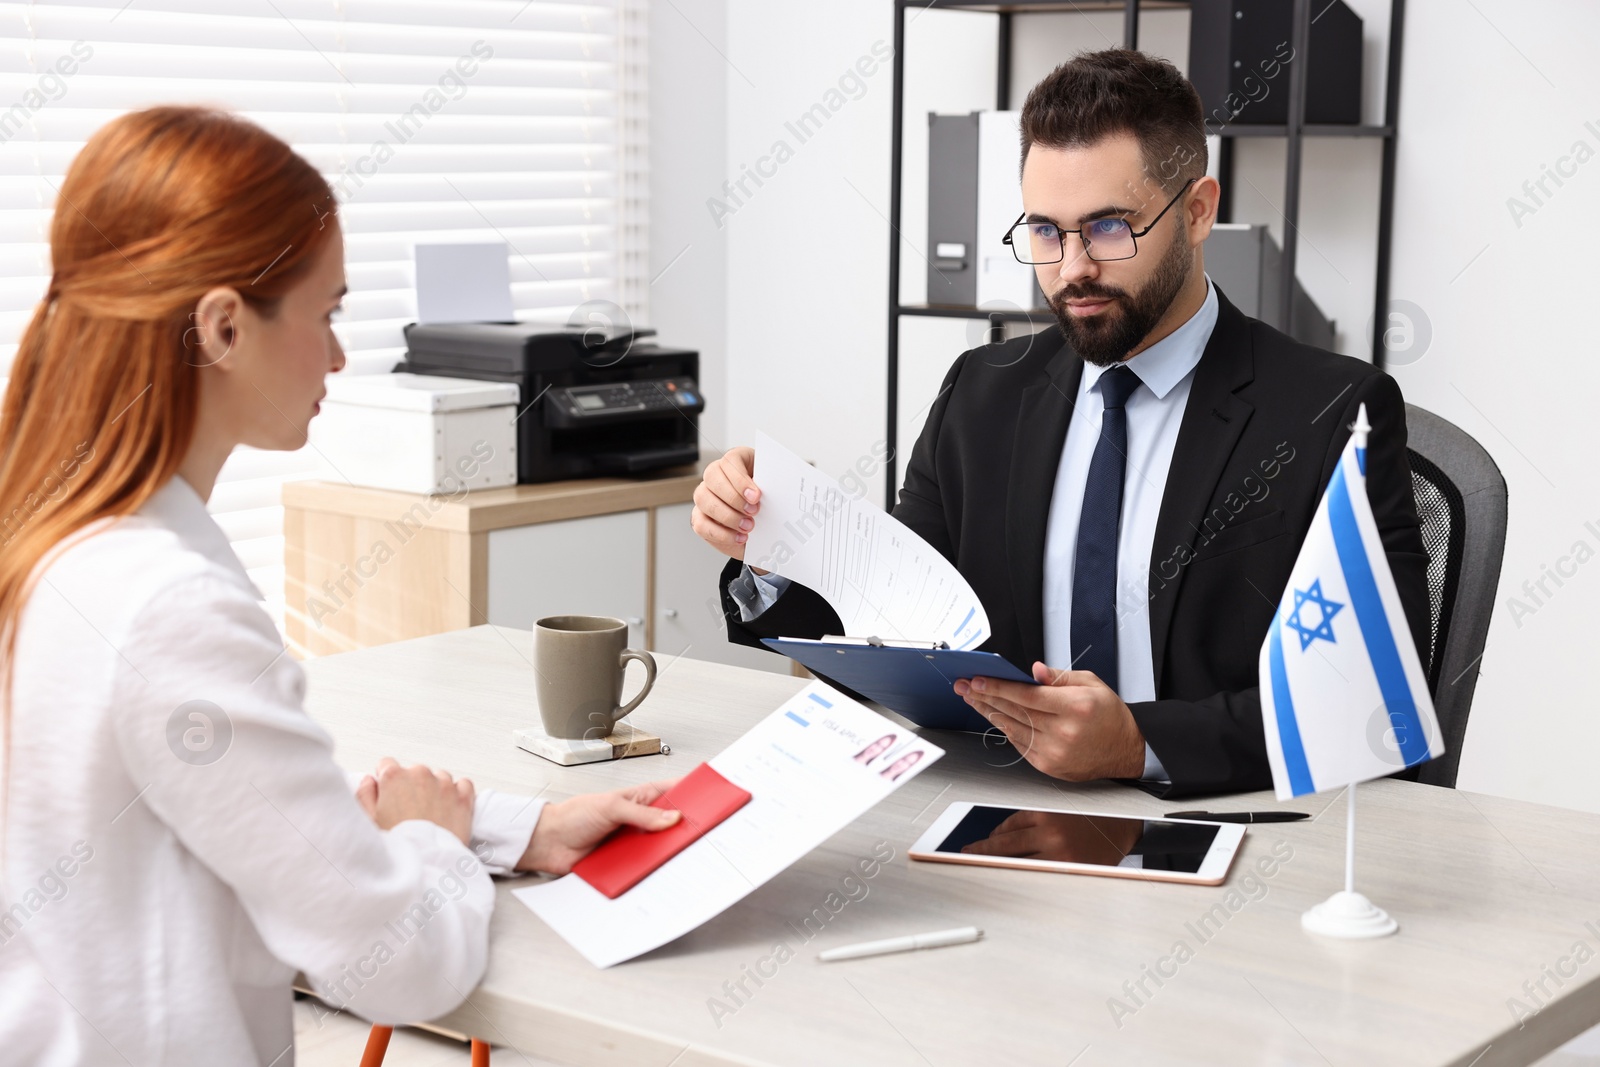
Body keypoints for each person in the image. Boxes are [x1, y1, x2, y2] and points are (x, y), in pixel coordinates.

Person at [0, 106, 682, 1067]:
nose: (336, 356)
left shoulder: (54, 538)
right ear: (224, 325)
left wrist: (517, 825)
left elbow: (255, 797)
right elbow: (395, 962)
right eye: (324, 314)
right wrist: (436, 846)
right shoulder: (166, 607)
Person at [694, 50, 1428, 799]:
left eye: (1109, 227)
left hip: (1229, 821)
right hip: (1009, 810)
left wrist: (1139, 743)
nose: (1072, 268)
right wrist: (773, 545)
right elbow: (899, 620)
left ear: (1199, 210)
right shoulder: (982, 393)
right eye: (1046, 232)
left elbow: (1370, 700)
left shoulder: (1334, 412)